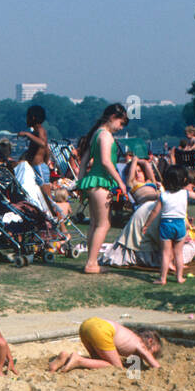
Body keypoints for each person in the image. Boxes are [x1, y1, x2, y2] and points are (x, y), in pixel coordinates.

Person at [76, 103, 130, 273]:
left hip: (91, 182)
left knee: (94, 223)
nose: (120, 128)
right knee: (104, 224)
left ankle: (91, 261)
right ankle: (91, 263)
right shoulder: (106, 135)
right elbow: (106, 162)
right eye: (120, 124)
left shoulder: (95, 134)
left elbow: (84, 161)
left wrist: (80, 183)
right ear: (113, 118)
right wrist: (121, 182)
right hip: (101, 182)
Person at [49, 318, 162, 373]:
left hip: (87, 325)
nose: (151, 354)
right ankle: (78, 360)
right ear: (150, 341)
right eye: (153, 352)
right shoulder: (141, 344)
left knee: (97, 361)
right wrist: (160, 369)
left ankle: (65, 358)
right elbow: (155, 365)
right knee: (116, 367)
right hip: (102, 330)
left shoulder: (129, 336)